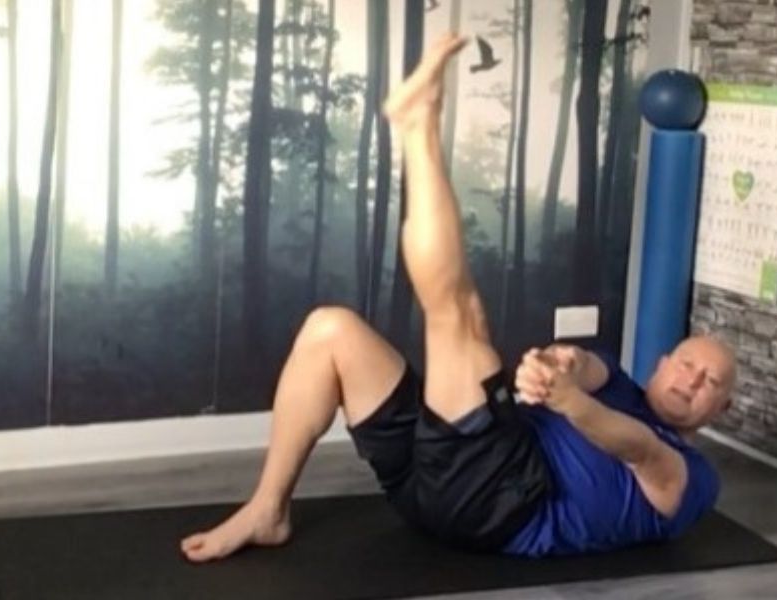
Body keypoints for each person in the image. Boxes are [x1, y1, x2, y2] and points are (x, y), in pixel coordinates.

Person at [180, 33, 737, 561]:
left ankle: (419, 128)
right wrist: (556, 365)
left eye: (710, 381)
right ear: (661, 363)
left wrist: (568, 401)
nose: (691, 380)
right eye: (688, 363)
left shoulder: (696, 480)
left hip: (507, 506)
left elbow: (638, 450)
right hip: (433, 481)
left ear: (722, 409)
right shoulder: (617, 381)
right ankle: (268, 508)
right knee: (331, 331)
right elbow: (582, 364)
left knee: (459, 318)